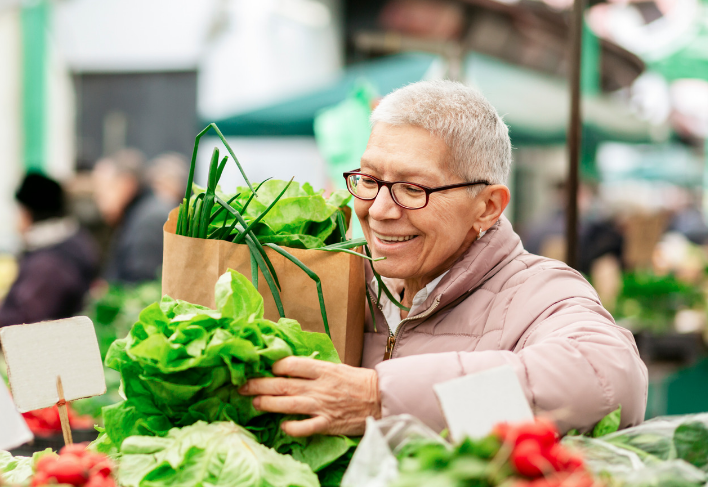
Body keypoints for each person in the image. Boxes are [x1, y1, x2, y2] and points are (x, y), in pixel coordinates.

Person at [239, 80, 647, 437]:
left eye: (413, 188)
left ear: (488, 206)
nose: (379, 209)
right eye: (368, 180)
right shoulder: (329, 276)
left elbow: (610, 380)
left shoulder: (537, 291)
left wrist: (379, 400)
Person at [0, 173, 99, 344]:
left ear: (28, 213)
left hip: (48, 350)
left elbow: (21, 324)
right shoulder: (71, 242)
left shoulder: (48, 263)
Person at [92, 149, 175, 284]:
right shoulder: (140, 213)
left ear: (126, 184)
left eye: (102, 191)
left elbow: (141, 284)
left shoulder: (148, 222)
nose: (98, 201)